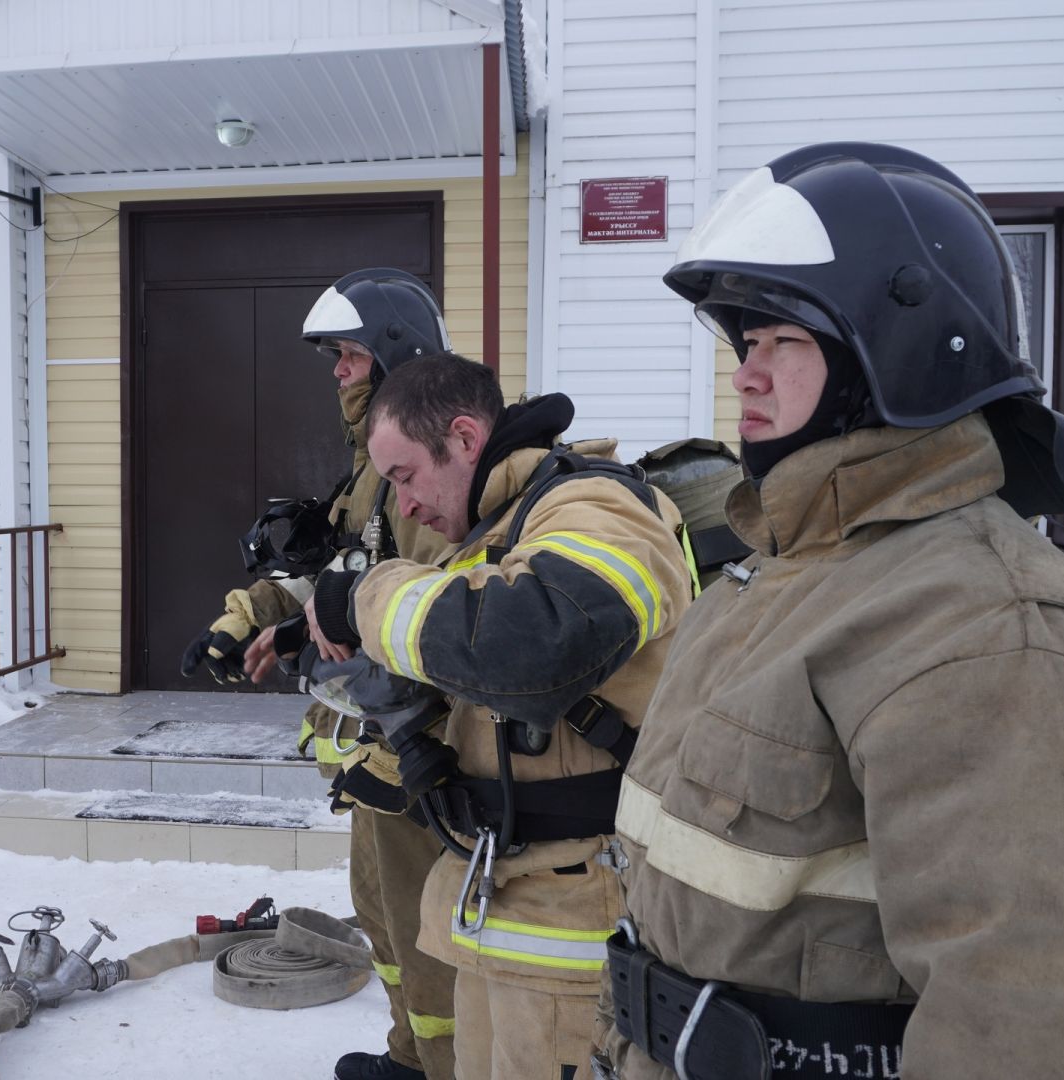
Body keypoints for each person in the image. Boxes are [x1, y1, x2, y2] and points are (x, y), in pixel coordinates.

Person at [591, 142, 1064, 1079]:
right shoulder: (778, 579)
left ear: (892, 355)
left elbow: (1050, 1036)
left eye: (784, 342)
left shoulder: (1001, 641)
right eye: (744, 343)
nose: (746, 376)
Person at [302, 354, 694, 1080]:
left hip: (577, 928)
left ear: (463, 436)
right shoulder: (499, 529)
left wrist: (365, 593)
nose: (406, 504)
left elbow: (540, 637)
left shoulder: (594, 505)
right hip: (508, 909)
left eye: (405, 475)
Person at [183, 268, 459, 1080]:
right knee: (382, 916)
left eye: (347, 355)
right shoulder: (372, 464)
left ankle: (441, 1066)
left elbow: (429, 611)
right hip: (373, 751)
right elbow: (338, 573)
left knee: (421, 928)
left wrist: (319, 644)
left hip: (416, 752)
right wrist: (246, 619)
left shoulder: (425, 460)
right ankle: (410, 1055)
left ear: (393, 352)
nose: (337, 372)